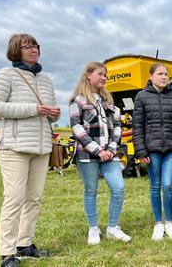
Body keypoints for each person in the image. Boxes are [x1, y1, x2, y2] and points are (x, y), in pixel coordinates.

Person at [0, 33, 60, 267]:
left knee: (34, 199)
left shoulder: (46, 79)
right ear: (15, 50)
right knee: (14, 199)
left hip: (41, 147)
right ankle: (7, 253)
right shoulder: (6, 74)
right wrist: (33, 109)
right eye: (27, 46)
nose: (33, 49)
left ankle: (25, 245)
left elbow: (50, 112)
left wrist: (55, 114)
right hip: (14, 147)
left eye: (36, 45)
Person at [69, 62, 131, 245]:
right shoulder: (77, 100)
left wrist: (111, 149)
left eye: (105, 75)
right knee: (90, 190)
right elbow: (76, 128)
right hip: (87, 155)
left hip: (110, 155)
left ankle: (113, 228)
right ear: (88, 75)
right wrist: (97, 150)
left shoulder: (109, 102)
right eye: (100, 74)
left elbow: (118, 126)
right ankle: (93, 228)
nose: (104, 77)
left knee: (118, 188)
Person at [132, 62, 172, 241]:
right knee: (155, 186)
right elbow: (137, 127)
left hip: (171, 149)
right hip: (152, 150)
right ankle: (158, 224)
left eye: (166, 74)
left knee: (168, 185)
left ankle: (169, 223)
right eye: (160, 74)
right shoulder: (141, 97)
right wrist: (141, 151)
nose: (164, 77)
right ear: (150, 76)